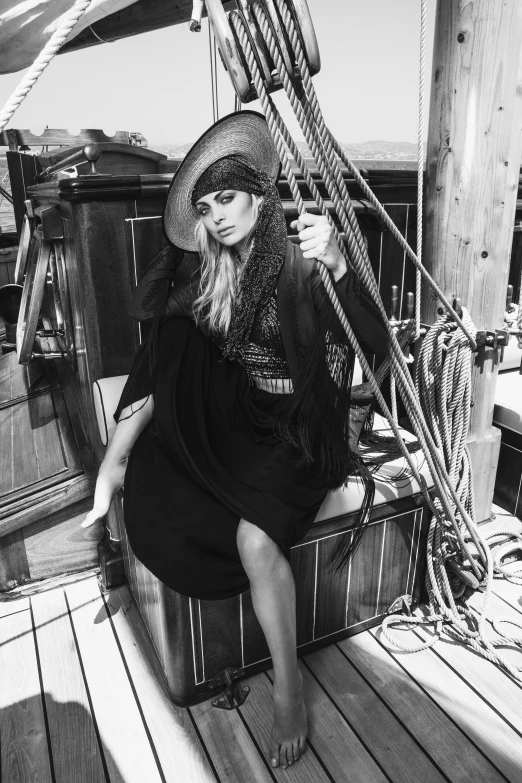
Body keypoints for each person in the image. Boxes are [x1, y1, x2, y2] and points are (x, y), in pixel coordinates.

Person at [82, 111, 388, 770]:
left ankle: (288, 690)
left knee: (253, 537)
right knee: (164, 472)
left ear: (258, 196)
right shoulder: (211, 276)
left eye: (228, 198)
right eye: (207, 206)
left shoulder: (305, 263)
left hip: (307, 426)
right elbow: (164, 368)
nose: (217, 216)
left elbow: (371, 343)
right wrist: (112, 464)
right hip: (246, 420)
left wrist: (336, 266)